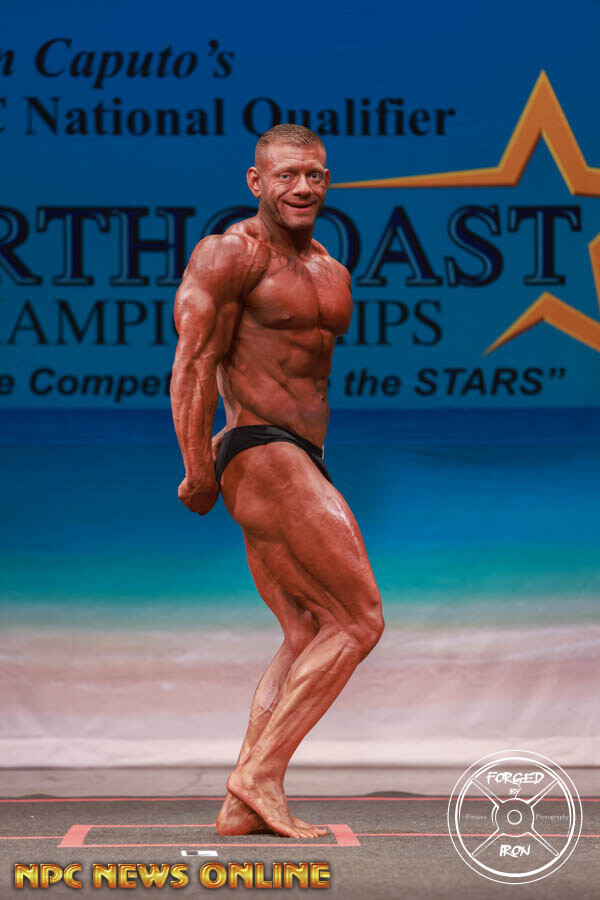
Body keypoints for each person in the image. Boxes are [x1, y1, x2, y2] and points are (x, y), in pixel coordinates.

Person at [171, 124, 384, 839]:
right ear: (255, 182)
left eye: (315, 174)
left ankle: (242, 804)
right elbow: (194, 362)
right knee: (359, 620)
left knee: (306, 629)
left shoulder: (332, 269)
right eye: (287, 174)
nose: (302, 187)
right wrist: (197, 467)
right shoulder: (230, 254)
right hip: (260, 447)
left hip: (304, 453)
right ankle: (260, 773)